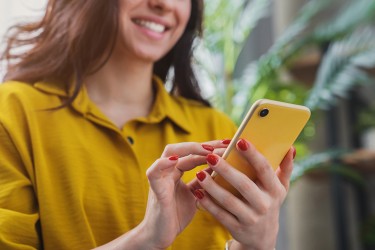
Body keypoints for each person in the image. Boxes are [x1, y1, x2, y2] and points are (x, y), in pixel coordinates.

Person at [0, 0, 296, 249]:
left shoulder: (215, 127)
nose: (164, 4)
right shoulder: (13, 112)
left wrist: (256, 244)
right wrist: (146, 238)